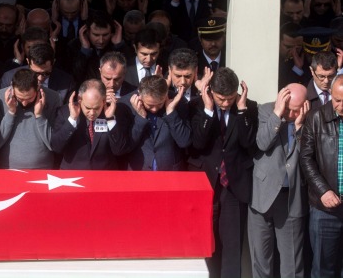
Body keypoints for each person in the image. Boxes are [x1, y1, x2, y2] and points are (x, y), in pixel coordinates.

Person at [188, 67, 258, 278]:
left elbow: (248, 143)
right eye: (221, 98)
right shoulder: (196, 106)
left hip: (234, 185)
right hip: (205, 183)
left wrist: (243, 108)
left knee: (232, 246)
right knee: (205, 244)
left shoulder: (248, 108)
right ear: (210, 91)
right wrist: (209, 110)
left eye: (230, 98)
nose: (226, 103)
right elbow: (197, 143)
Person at [249, 84, 309, 278]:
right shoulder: (265, 110)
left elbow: (307, 158)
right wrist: (278, 113)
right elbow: (262, 143)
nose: (291, 114)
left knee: (292, 264)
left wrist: (299, 129)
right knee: (261, 260)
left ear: (305, 105)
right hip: (262, 196)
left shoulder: (310, 118)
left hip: (291, 198)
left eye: (296, 109)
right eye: (289, 108)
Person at [300, 73, 343, 278]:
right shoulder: (316, 118)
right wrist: (323, 190)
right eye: (337, 100)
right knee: (323, 270)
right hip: (325, 210)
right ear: (330, 95)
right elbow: (306, 159)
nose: (341, 105)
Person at [51, 79, 132, 170]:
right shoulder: (65, 112)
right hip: (73, 173)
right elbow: (56, 147)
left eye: (97, 108)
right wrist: (72, 120)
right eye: (88, 108)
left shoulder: (114, 113)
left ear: (104, 101)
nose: (92, 113)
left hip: (104, 174)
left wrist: (110, 120)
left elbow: (120, 150)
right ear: (79, 99)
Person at [0, 68, 61, 169]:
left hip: (42, 169)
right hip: (8, 169)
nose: (24, 103)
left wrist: (39, 115)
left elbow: (53, 144)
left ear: (38, 87)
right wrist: (11, 112)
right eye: (20, 98)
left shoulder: (54, 98)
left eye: (30, 98)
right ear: (12, 87)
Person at [123, 75, 191, 171]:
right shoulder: (125, 106)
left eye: (160, 104)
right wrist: (141, 118)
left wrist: (171, 113)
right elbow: (124, 146)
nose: (154, 109)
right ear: (140, 94)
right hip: (139, 170)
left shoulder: (179, 102)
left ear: (166, 94)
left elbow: (184, 142)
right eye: (150, 105)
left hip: (170, 171)